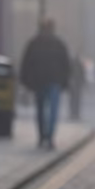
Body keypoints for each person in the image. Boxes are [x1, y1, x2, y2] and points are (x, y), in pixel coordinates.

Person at [19, 18, 71, 149]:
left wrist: (25, 81)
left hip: (39, 81)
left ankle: (42, 136)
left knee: (41, 110)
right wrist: (65, 82)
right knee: (52, 111)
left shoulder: (33, 43)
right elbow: (66, 65)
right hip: (54, 81)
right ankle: (50, 137)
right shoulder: (59, 44)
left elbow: (26, 64)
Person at [69, 52, 86, 121]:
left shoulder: (72, 64)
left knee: (74, 100)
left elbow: (82, 74)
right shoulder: (78, 64)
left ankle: (74, 114)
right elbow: (82, 74)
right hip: (76, 84)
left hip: (74, 84)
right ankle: (75, 114)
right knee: (76, 100)